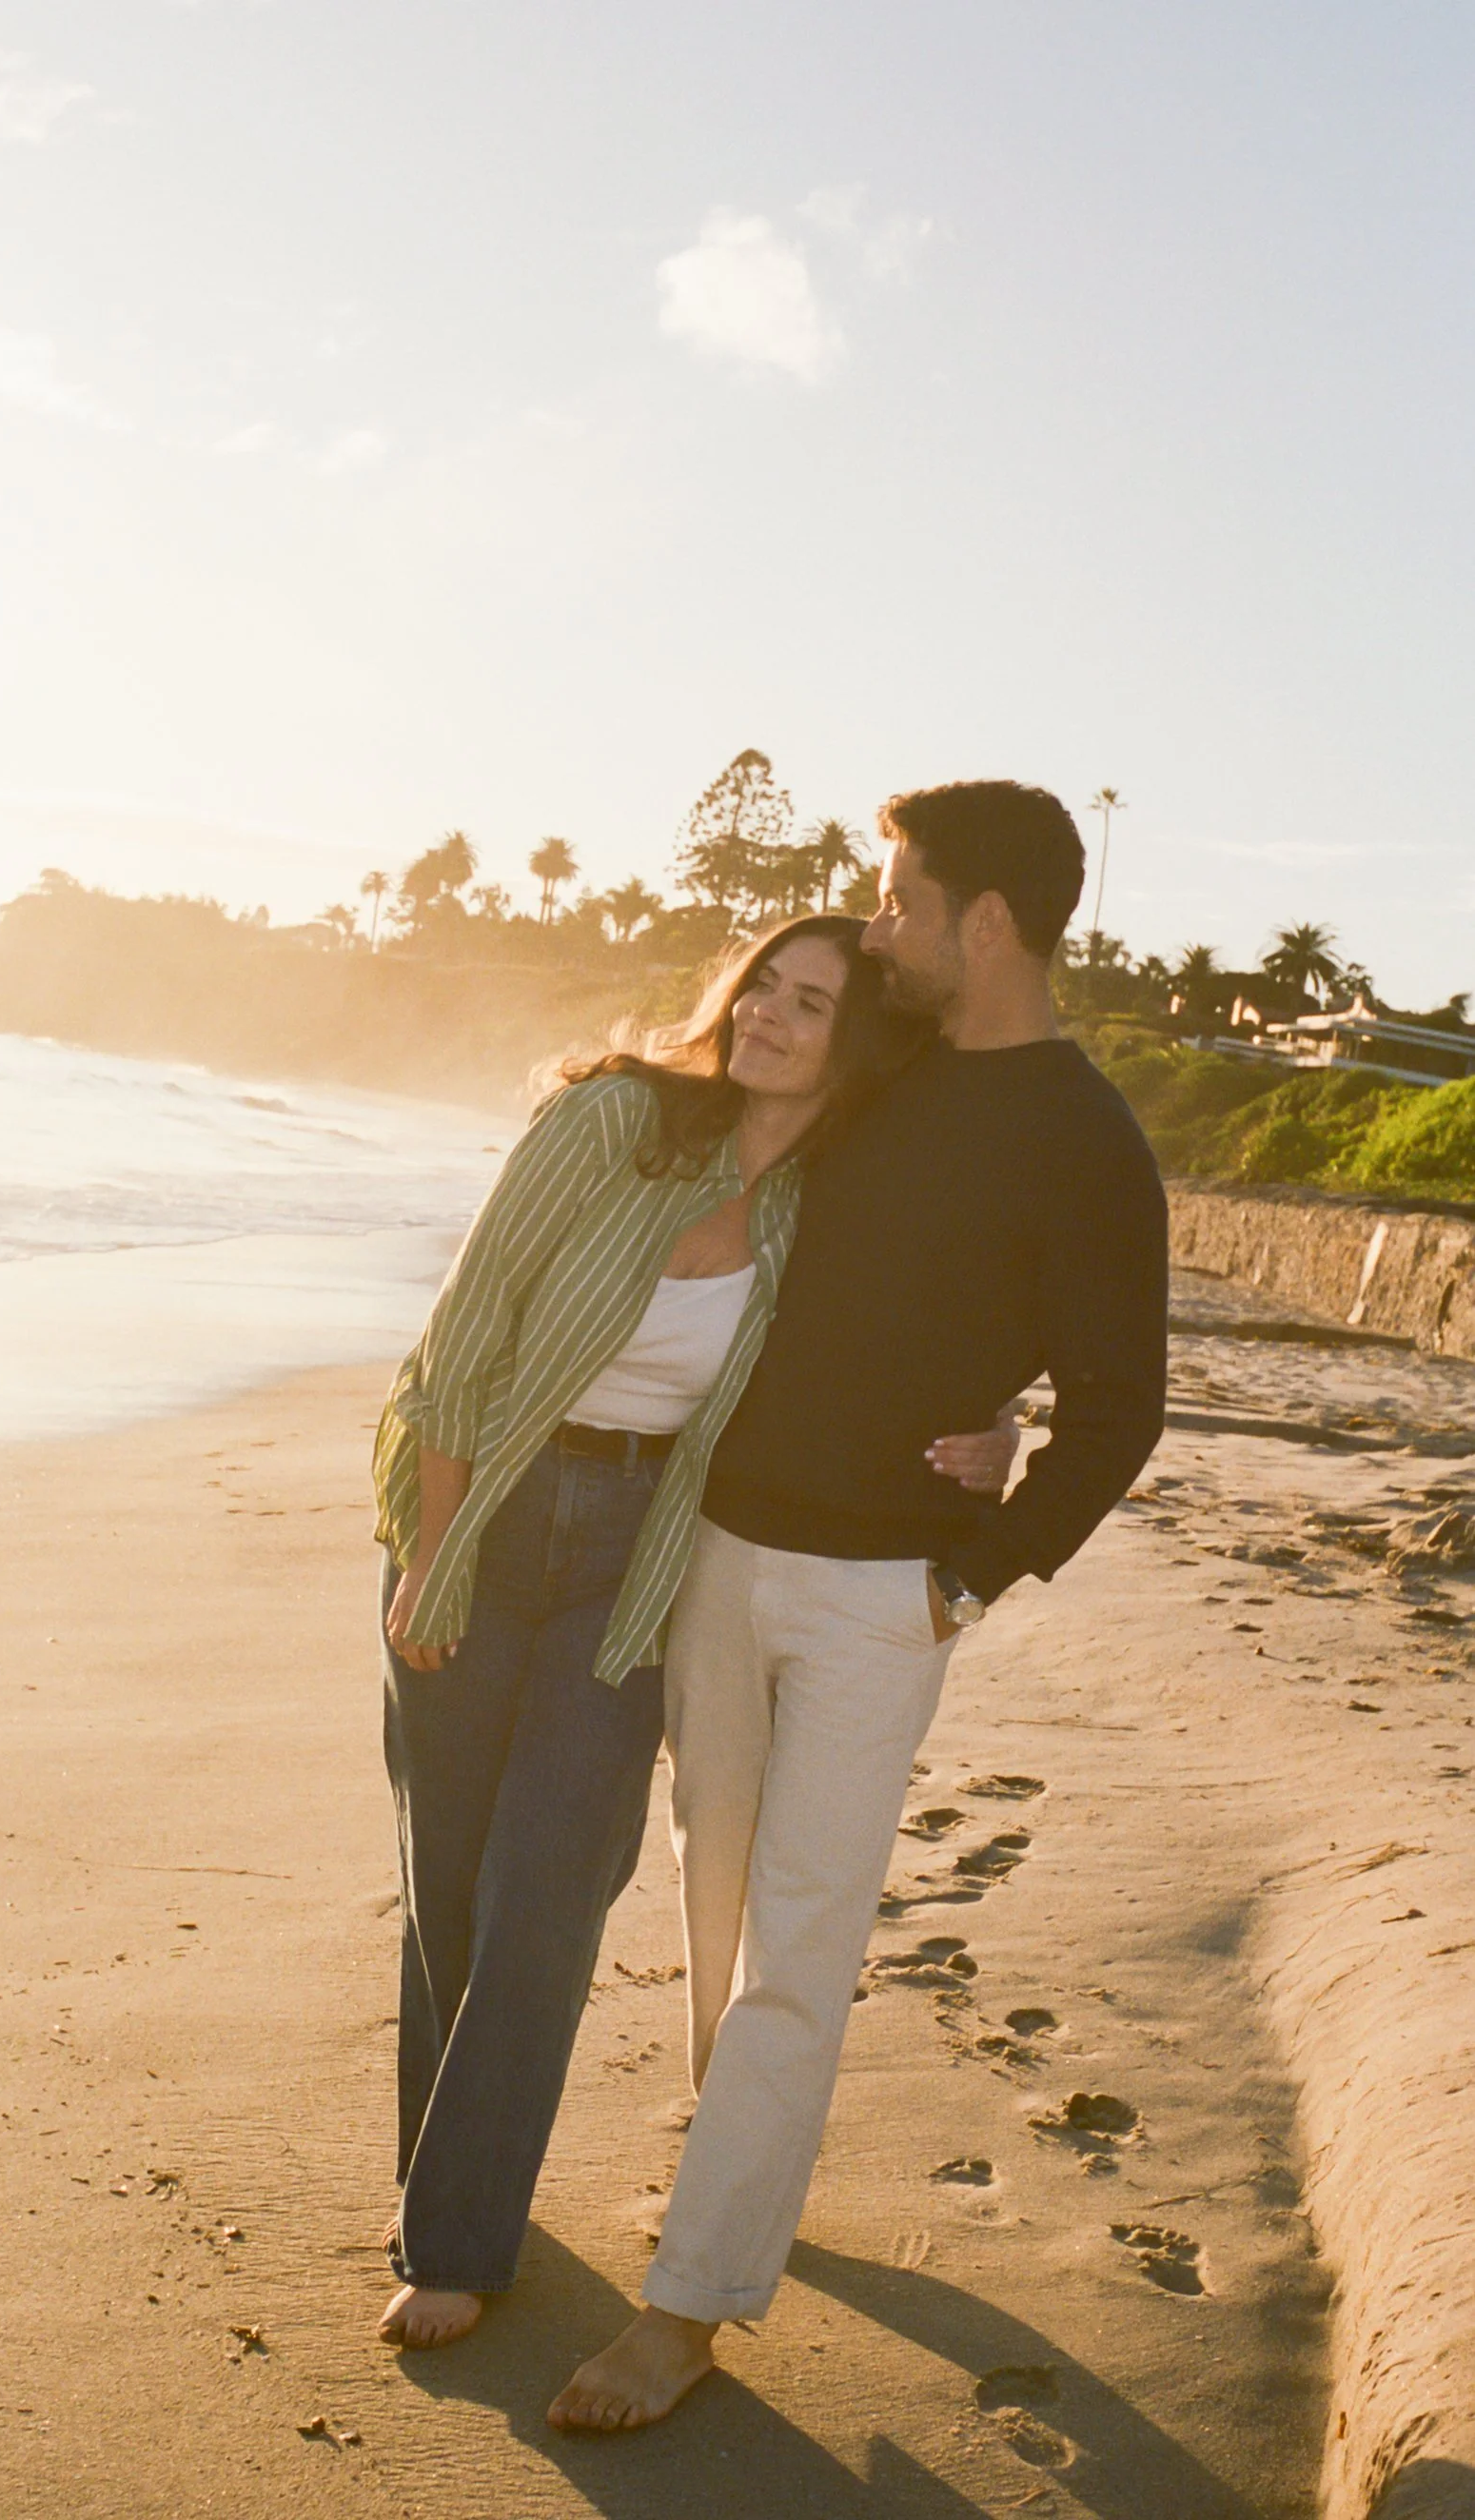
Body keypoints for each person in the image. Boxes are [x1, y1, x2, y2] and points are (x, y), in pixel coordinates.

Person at [549, 779, 1170, 2431]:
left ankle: (689, 2305)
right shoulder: (876, 1064)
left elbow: (1120, 1404)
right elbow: (730, 1115)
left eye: (899, 899)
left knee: (801, 1938)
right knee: (714, 1899)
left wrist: (978, 1565)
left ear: (986, 920)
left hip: (884, 1595)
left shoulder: (1087, 1139)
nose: (876, 925)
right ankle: (737, 2170)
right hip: (717, 1549)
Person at [372, 914, 1017, 2351]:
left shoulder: (820, 1208)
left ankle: (456, 2237)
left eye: (812, 1005)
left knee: (550, 1887)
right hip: (480, 1502)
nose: (767, 1016)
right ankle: (447, 2171)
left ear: (854, 1049)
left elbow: (911, 1333)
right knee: (450, 1881)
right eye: (762, 986)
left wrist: (998, 1421)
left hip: (641, 1554)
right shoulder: (614, 1121)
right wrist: (435, 1555)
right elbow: (462, 1342)